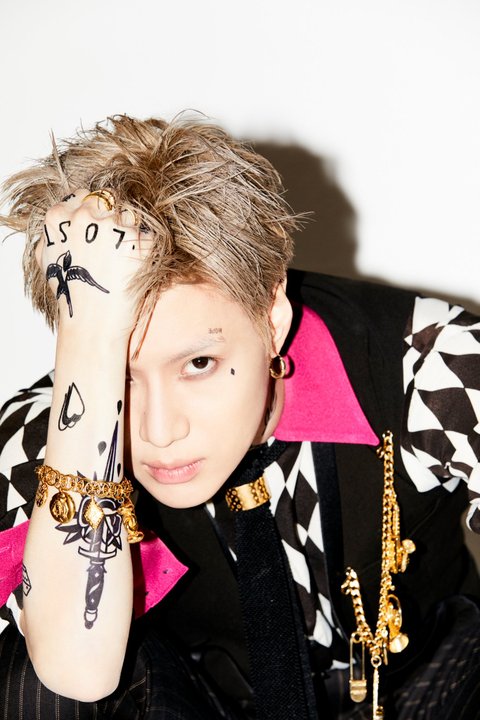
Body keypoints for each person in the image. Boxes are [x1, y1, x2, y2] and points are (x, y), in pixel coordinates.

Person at [0, 114, 479, 720]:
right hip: (212, 706)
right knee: (36, 677)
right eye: (123, 374)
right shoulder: (47, 435)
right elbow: (76, 674)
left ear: (272, 316)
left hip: (432, 689)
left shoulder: (425, 362)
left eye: (198, 363)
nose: (159, 430)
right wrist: (91, 351)